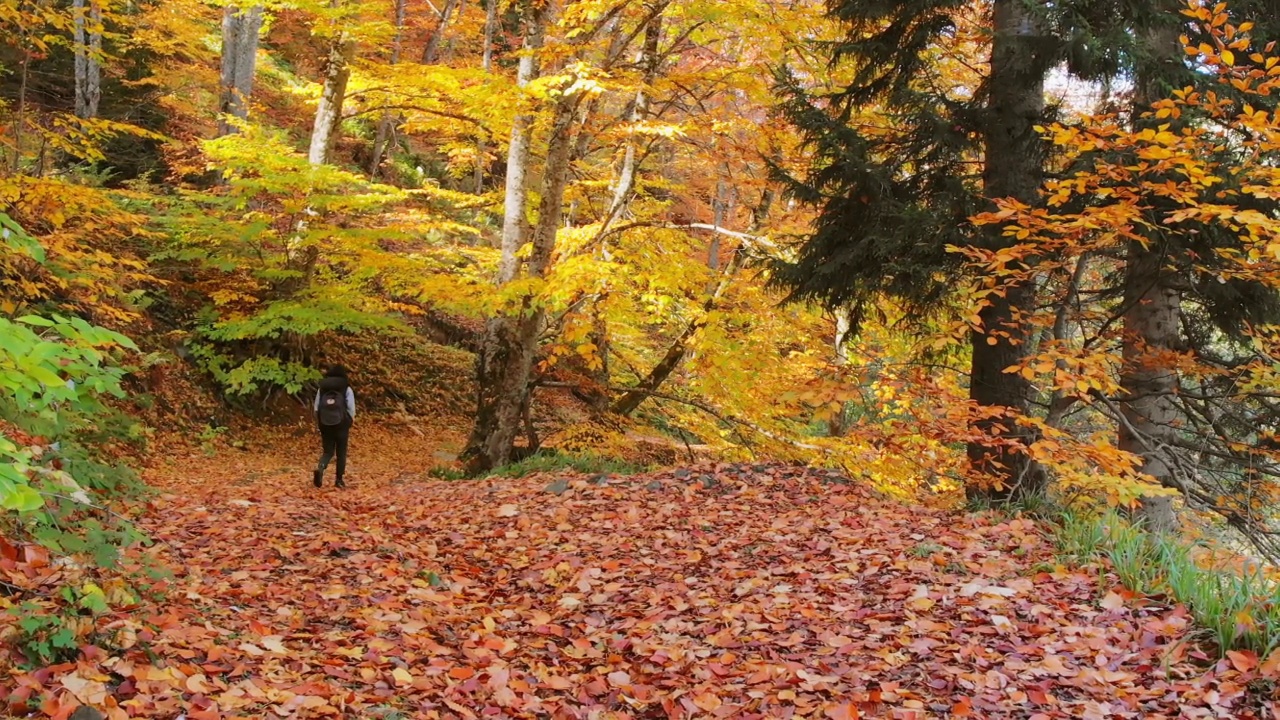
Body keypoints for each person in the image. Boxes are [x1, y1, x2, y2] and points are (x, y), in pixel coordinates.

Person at [313, 365, 355, 488]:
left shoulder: (322, 388)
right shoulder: (346, 388)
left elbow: (316, 408)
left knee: (328, 451)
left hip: (325, 423)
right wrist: (350, 421)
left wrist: (320, 422)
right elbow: (351, 407)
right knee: (341, 453)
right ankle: (339, 480)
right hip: (341, 424)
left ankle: (321, 467)